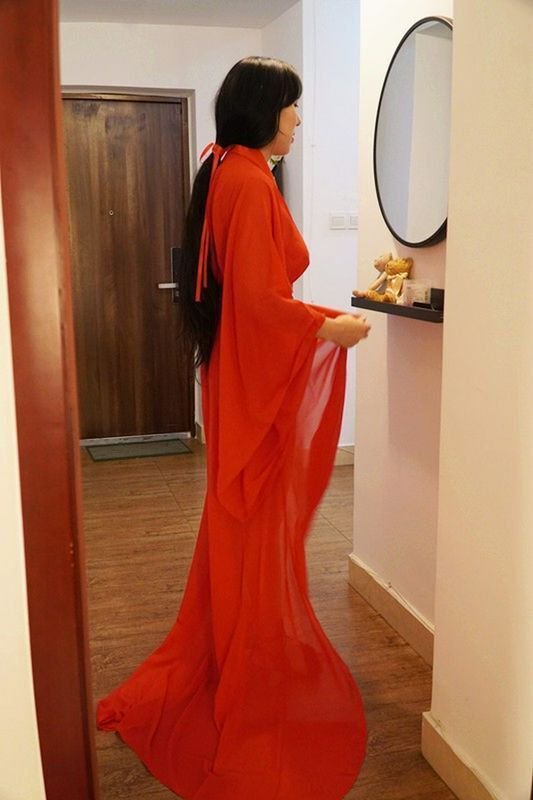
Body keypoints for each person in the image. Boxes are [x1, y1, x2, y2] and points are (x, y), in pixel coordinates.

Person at [97, 56, 369, 800]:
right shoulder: (245, 179)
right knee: (251, 524)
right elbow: (256, 300)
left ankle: (238, 649)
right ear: (263, 109)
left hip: (236, 373)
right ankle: (245, 666)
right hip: (250, 378)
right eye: (291, 105)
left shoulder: (231, 170)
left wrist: (314, 322)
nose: (299, 119)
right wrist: (329, 326)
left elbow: (245, 294)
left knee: (240, 524)